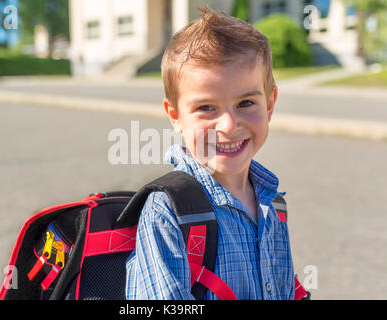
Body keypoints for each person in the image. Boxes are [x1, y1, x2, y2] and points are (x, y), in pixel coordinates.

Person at [125, 6, 295, 300]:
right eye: (206, 108)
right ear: (175, 115)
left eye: (246, 103)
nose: (228, 125)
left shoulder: (272, 203)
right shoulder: (167, 212)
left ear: (269, 105)